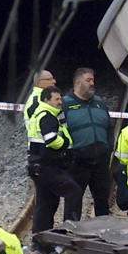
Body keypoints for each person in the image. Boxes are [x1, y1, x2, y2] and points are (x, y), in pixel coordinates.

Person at [25, 85, 75, 240]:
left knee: (47, 203)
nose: (60, 102)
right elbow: (51, 139)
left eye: (61, 98)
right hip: (46, 167)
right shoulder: (47, 116)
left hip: (39, 165)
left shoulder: (41, 114)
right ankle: (70, 233)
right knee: (73, 192)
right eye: (57, 99)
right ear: (47, 100)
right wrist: (66, 142)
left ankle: (41, 240)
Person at [63, 67, 113, 218]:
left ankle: (103, 232)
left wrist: (109, 147)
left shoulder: (99, 103)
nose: (92, 83)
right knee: (73, 200)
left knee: (102, 200)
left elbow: (109, 127)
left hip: (101, 162)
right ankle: (70, 233)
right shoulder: (65, 104)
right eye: (88, 80)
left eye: (93, 80)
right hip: (77, 162)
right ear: (78, 82)